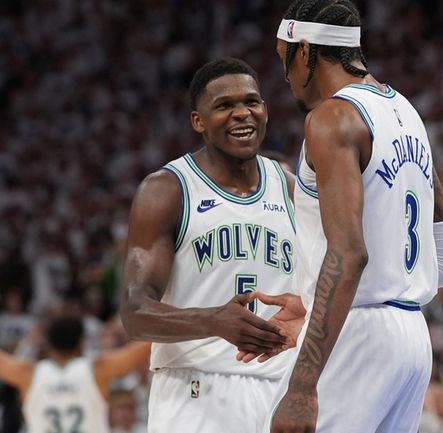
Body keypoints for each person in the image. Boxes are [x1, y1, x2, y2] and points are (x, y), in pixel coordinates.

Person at [264, 1, 443, 431]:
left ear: (303, 51)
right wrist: (320, 300)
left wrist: (302, 387)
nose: (285, 78)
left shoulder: (332, 118)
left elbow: (350, 253)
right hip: (412, 338)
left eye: (283, 59)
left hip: (359, 338)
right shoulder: (408, 114)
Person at [119, 58, 306, 432]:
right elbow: (134, 313)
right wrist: (213, 321)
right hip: (194, 388)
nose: (242, 114)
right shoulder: (166, 190)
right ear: (198, 121)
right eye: (224, 106)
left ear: (265, 110)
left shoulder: (288, 186)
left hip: (278, 389)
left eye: (251, 102)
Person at [0, 316, 150, 433]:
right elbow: (142, 350)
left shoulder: (28, 375)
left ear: (49, 345)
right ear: (82, 343)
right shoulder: (97, 371)